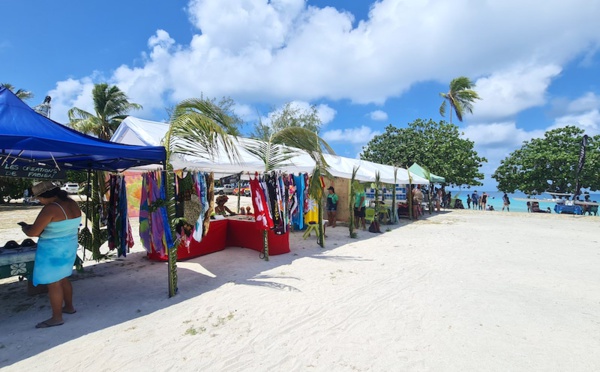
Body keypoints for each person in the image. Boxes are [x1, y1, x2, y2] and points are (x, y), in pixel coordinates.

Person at [20, 181, 82, 328]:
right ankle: (69, 307)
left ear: (45, 196)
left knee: (54, 283)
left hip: (52, 250)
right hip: (69, 246)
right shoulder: (72, 203)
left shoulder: (51, 209)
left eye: (38, 198)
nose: (39, 201)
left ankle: (57, 317)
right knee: (63, 278)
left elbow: (33, 232)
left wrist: (25, 228)